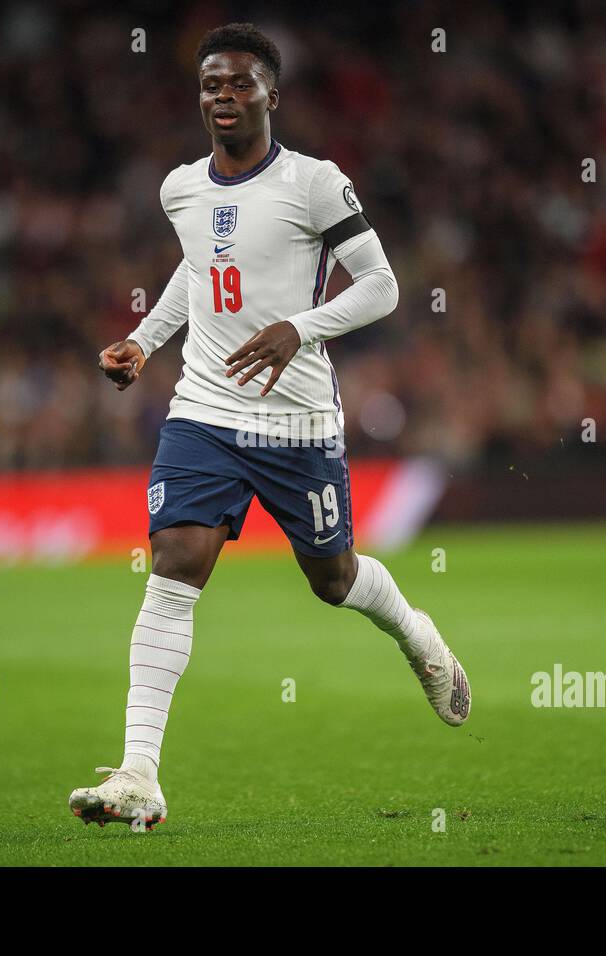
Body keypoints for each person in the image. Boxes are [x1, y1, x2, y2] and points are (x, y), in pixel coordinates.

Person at [70, 22, 470, 831]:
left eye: (241, 83)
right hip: (204, 412)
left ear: (271, 95)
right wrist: (145, 342)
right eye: (212, 84)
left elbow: (384, 287)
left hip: (298, 422)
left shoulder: (316, 184)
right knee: (175, 564)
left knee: (333, 580)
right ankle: (140, 772)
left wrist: (301, 326)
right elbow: (197, 268)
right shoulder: (180, 187)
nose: (225, 95)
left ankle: (418, 634)